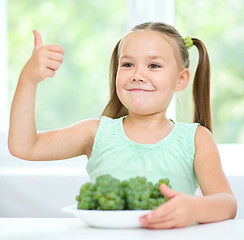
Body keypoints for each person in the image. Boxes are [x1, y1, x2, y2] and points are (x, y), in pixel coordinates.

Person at [8, 22, 237, 229]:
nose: (138, 74)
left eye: (154, 65)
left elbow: (227, 204)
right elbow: (25, 146)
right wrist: (28, 80)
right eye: (127, 64)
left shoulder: (196, 139)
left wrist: (195, 208)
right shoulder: (96, 133)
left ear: (181, 79)